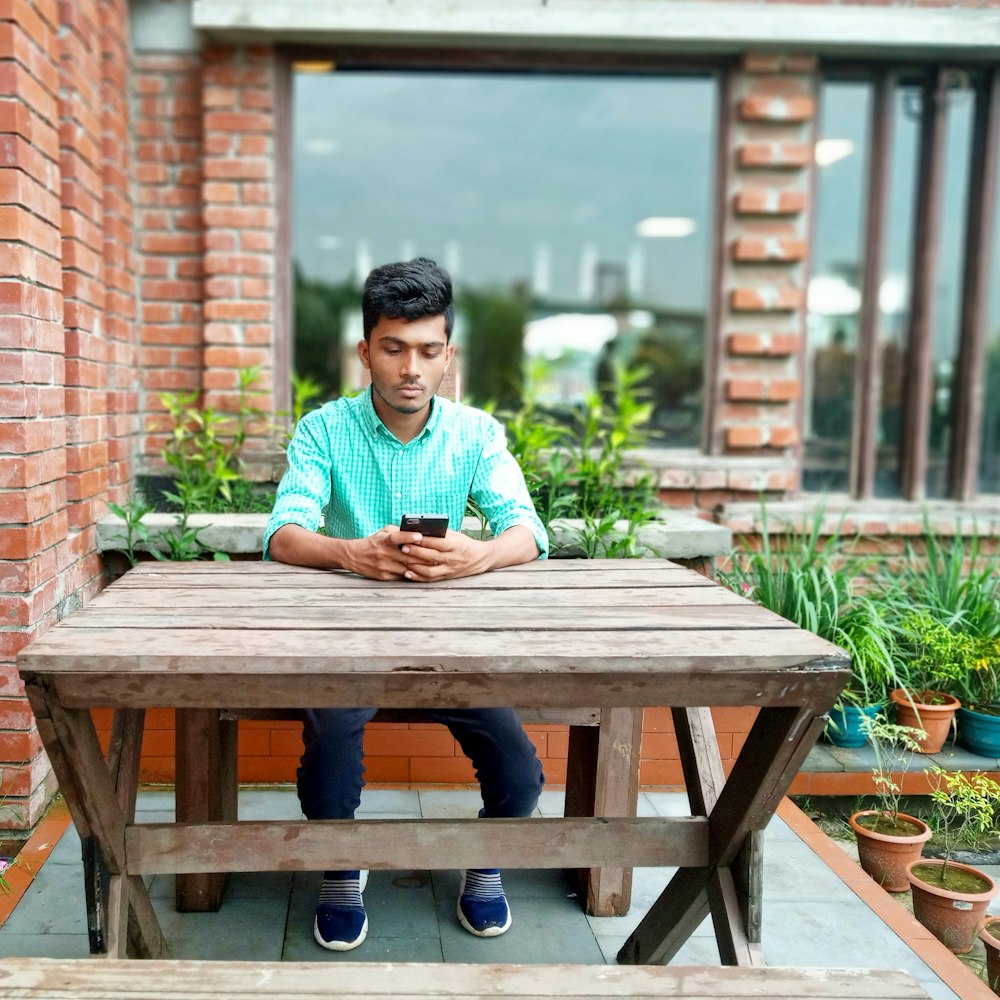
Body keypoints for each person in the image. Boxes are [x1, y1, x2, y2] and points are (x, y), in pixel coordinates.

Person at [264, 258, 548, 952]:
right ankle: (338, 866)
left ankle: (484, 861)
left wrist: (479, 555)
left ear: (448, 354)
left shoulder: (475, 433)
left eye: (428, 350)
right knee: (330, 747)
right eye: (393, 348)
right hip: (347, 633)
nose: (410, 368)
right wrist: (351, 553)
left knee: (520, 773)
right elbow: (280, 533)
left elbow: (530, 530)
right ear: (366, 352)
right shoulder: (324, 430)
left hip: (451, 635)